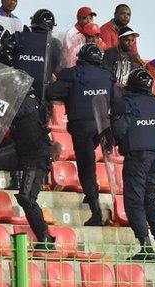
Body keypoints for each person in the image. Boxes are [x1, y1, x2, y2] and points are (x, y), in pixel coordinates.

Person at [0, 80, 56, 251]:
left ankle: (45, 238)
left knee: (27, 199)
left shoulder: (26, 103)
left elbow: (5, 111)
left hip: (36, 157)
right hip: (21, 150)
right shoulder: (27, 101)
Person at [47, 44, 119, 226]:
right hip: (103, 127)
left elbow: (52, 92)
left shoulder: (74, 73)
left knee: (86, 166)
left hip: (82, 127)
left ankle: (95, 210)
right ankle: (91, 194)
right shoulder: (107, 76)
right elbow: (120, 104)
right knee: (91, 161)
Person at [111, 68, 155, 261]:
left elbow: (119, 132)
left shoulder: (125, 103)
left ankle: (146, 247)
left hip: (136, 160)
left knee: (134, 201)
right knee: (152, 201)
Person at [10, 9, 63, 100]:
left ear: (33, 22)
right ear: (51, 26)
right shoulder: (54, 44)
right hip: (41, 96)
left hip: (16, 93)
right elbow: (57, 67)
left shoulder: (19, 37)